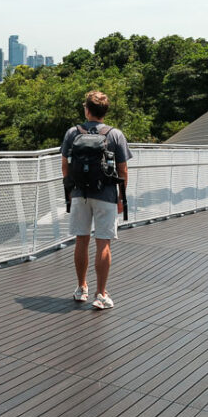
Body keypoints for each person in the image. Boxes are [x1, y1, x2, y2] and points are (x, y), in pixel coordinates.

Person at [60, 90, 132, 310]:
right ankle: (101, 295)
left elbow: (65, 165)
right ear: (104, 112)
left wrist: (71, 189)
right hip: (106, 194)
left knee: (81, 241)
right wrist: (121, 197)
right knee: (103, 243)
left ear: (87, 110)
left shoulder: (73, 133)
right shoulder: (115, 135)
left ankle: (82, 288)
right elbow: (123, 170)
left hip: (80, 194)